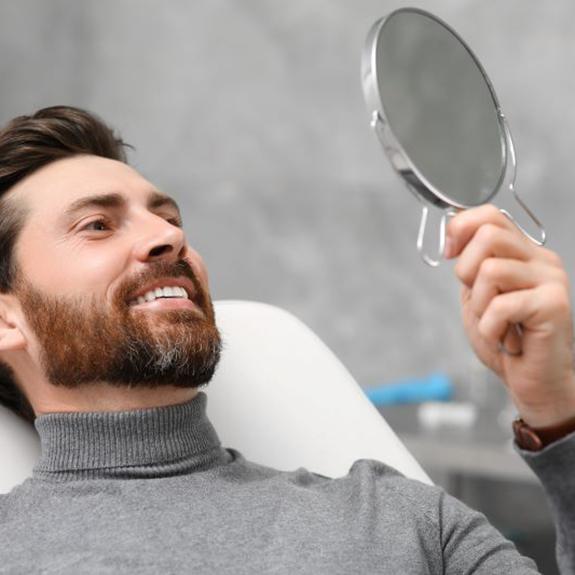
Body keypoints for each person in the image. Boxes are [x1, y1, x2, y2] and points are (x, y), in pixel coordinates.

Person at [0, 106, 572, 574]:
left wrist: (557, 410)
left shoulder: (398, 519)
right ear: (6, 321)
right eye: (96, 225)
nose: (166, 237)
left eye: (169, 217)